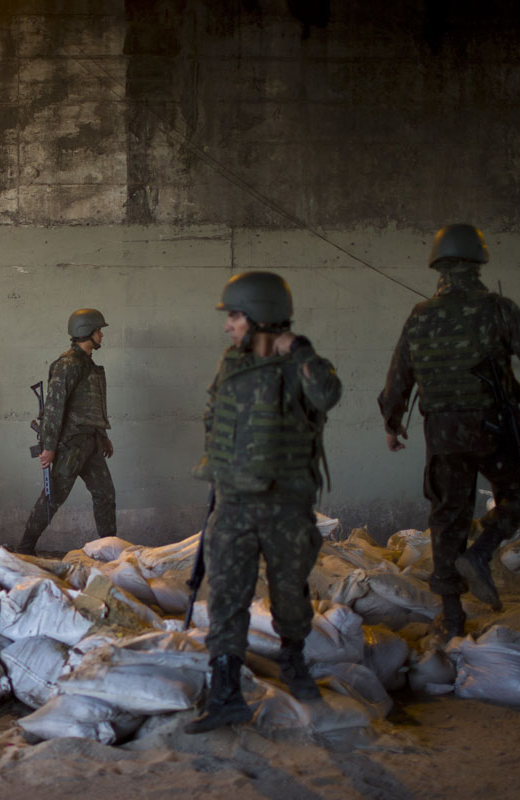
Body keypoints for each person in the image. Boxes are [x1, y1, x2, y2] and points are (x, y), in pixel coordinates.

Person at [378, 223, 520, 639]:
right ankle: (480, 552)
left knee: (447, 518)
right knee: (519, 493)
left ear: (437, 265)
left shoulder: (420, 317)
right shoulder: (497, 308)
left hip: (441, 434)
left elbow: (398, 378)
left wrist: (392, 424)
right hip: (492, 428)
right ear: (479, 262)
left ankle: (453, 618)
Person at [186, 272, 341, 734]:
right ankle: (226, 694)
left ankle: (294, 663)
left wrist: (299, 349)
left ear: (260, 317)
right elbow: (214, 416)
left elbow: (328, 395)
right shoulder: (230, 364)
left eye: (234, 315)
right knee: (227, 597)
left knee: (290, 594)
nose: (228, 324)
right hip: (233, 503)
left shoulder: (301, 364)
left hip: (285, 505)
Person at [15, 308, 116, 556]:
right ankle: (25, 548)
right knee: (52, 498)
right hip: (71, 446)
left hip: (90, 442)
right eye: (98, 330)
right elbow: (53, 409)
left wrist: (102, 435)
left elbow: (89, 405)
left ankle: (111, 550)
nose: (102, 335)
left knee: (105, 495)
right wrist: (49, 447)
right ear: (87, 332)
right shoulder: (68, 365)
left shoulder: (86, 364)